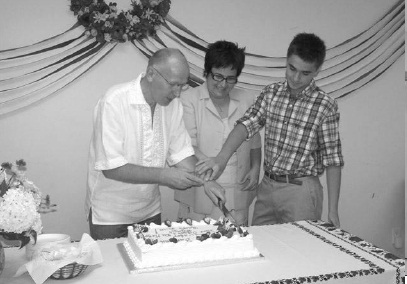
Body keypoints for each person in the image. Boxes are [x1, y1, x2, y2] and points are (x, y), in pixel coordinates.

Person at [196, 33, 344, 227]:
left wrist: (333, 209)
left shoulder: (325, 105)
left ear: (317, 70)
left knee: (297, 250)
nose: (296, 77)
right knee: (261, 246)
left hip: (301, 190)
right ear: (287, 61)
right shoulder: (271, 93)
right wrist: (221, 159)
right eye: (292, 68)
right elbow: (246, 125)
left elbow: (332, 160)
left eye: (305, 73)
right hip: (267, 186)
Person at [85, 48, 226, 240]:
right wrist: (164, 176)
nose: (177, 93)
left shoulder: (172, 106)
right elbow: (111, 168)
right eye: (173, 84)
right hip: (110, 215)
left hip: (149, 212)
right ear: (151, 73)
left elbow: (182, 154)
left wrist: (207, 182)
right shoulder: (114, 101)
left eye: (182, 86)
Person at [174, 40, 262, 226]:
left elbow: (254, 140)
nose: (223, 84)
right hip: (201, 184)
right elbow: (187, 145)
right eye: (218, 77)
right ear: (207, 73)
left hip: (238, 186)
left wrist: (255, 168)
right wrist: (210, 171)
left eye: (231, 78)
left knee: (236, 244)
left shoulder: (247, 98)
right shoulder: (189, 99)